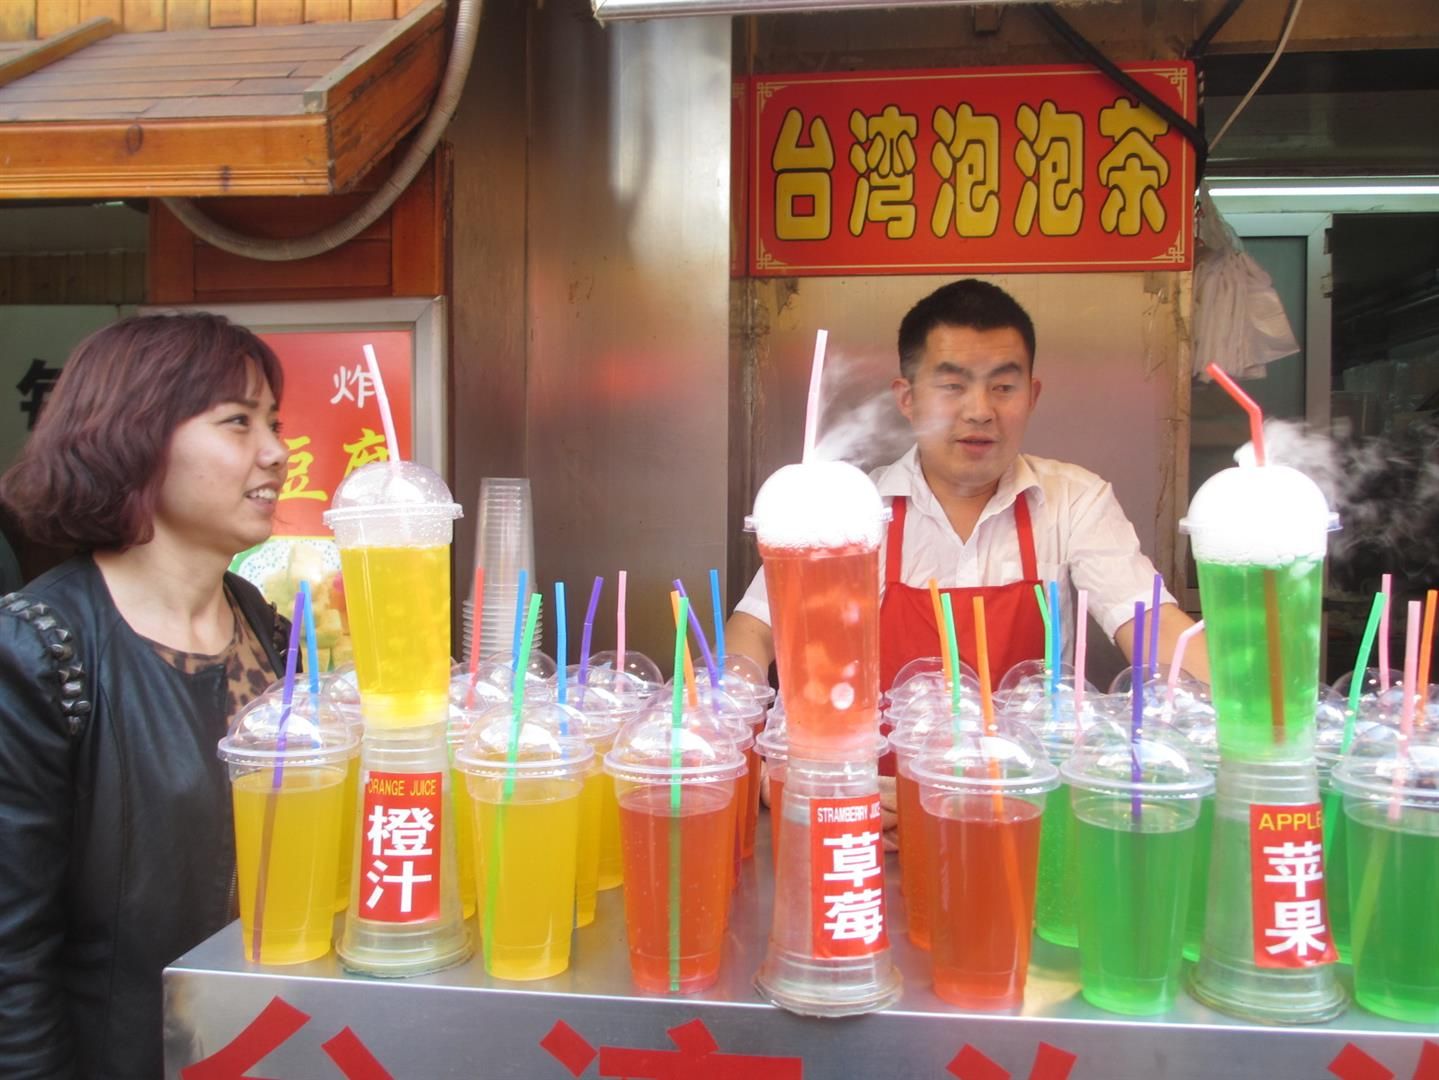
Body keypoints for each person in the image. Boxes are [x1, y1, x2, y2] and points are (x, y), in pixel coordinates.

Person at [729, 279, 1208, 769]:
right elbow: (755, 632)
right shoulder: (848, 510)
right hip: (879, 800)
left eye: (1003, 387)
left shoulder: (1074, 500)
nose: (980, 411)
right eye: (952, 386)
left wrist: (1251, 716)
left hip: (1024, 804)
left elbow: (1153, 627)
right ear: (908, 398)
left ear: (1032, 394)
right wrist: (758, 758)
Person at [0, 314, 291, 1078]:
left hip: (270, 1046)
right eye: (238, 422)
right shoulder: (38, 652)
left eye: (274, 423)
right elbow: (10, 956)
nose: (276, 451)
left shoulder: (270, 633)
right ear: (136, 437)